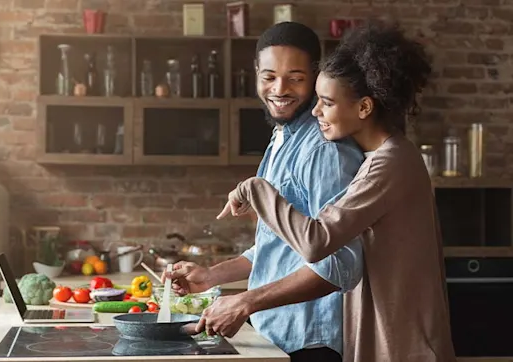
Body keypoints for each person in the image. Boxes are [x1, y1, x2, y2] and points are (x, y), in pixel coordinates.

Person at [217, 20, 457, 362]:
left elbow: (317, 242)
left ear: (363, 108)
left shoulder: (389, 164)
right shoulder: (385, 157)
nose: (316, 112)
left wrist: (256, 189)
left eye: (326, 102)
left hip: (402, 342)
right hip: (382, 332)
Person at [163, 22, 365, 362]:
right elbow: (281, 245)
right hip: (277, 333)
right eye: (269, 76)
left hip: (311, 340)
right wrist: (212, 275)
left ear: (316, 77)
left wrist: (246, 300)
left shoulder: (323, 149)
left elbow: (339, 265)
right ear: (256, 74)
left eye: (295, 77)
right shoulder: (283, 136)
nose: (280, 89)